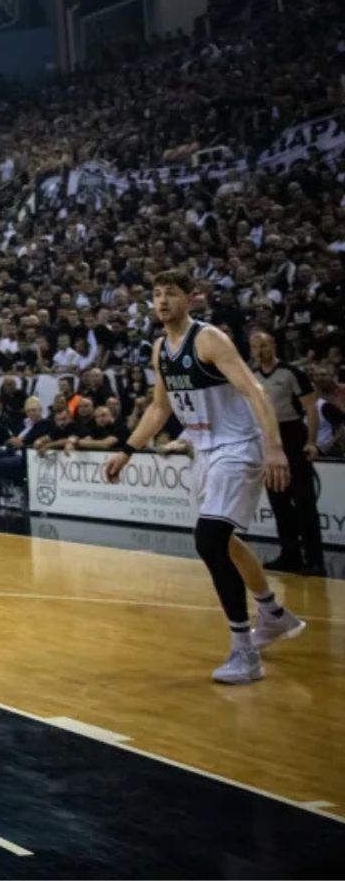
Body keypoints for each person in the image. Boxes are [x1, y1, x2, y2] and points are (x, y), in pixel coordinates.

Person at [105, 271, 303, 684]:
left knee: (209, 540)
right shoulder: (160, 348)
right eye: (157, 294)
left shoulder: (209, 339)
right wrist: (127, 450)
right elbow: (160, 408)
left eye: (171, 294)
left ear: (191, 299)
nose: (162, 301)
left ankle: (245, 654)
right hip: (204, 451)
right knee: (225, 541)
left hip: (238, 446)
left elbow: (256, 392)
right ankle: (272, 613)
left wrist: (274, 447)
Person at [249, 331, 322, 574]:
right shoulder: (252, 376)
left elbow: (311, 409)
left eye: (264, 345)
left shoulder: (291, 372)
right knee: (278, 501)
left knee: (304, 502)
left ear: (273, 345)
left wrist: (311, 442)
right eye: (255, 347)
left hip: (293, 435)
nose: (260, 351)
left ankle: (314, 560)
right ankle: (290, 555)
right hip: (269, 437)